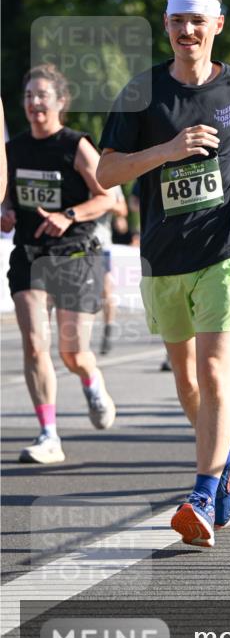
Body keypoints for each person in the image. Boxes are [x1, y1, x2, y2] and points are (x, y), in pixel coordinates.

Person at [98, 0, 230, 548]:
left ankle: (202, 491)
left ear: (217, 25)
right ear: (167, 25)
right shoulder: (142, 92)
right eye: (177, 20)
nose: (186, 30)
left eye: (197, 20)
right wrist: (166, 151)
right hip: (163, 256)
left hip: (225, 250)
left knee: (211, 370)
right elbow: (105, 173)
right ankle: (227, 456)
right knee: (185, 381)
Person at [1, 64, 116, 464]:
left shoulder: (76, 145)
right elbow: (5, 196)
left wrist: (69, 214)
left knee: (72, 353)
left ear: (60, 102)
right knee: (35, 345)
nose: (35, 103)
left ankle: (90, 378)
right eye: (29, 95)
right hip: (29, 255)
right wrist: (6, 210)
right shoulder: (12, 149)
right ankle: (48, 434)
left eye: (43, 95)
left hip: (74, 255)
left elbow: (109, 198)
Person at [95, 184, 129, 354]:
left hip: (99, 242)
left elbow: (123, 209)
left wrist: (102, 202)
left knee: (106, 288)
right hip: (68, 242)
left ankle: (108, 329)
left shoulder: (106, 177)